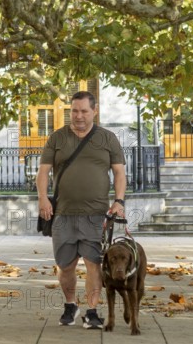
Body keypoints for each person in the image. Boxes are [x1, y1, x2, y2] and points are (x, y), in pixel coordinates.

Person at [36, 91, 126, 329]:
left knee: (94, 264)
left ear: (94, 111)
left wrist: (119, 201)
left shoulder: (107, 138)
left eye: (84, 111)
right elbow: (43, 171)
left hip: (96, 215)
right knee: (65, 266)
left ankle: (93, 311)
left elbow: (119, 173)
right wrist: (43, 198)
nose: (78, 116)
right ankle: (70, 304)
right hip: (63, 215)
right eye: (74, 111)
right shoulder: (57, 138)